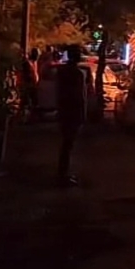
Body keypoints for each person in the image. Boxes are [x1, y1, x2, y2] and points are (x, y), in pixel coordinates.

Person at [55, 44, 88, 187]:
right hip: (73, 111)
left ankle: (62, 173)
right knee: (68, 144)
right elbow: (79, 95)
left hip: (64, 109)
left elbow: (59, 92)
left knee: (66, 143)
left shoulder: (61, 71)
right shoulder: (76, 73)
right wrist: (82, 113)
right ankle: (63, 175)